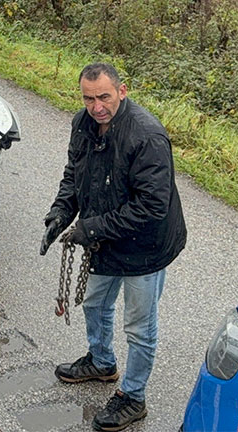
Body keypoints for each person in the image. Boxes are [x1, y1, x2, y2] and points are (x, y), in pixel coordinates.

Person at [39, 62, 187, 432]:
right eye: (88, 98)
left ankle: (133, 397)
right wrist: (60, 212)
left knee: (139, 328)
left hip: (145, 247)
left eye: (104, 97)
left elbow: (152, 206)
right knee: (94, 303)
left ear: (122, 90)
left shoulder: (148, 136)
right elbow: (75, 173)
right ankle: (102, 361)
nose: (96, 107)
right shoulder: (82, 124)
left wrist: (90, 228)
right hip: (102, 236)